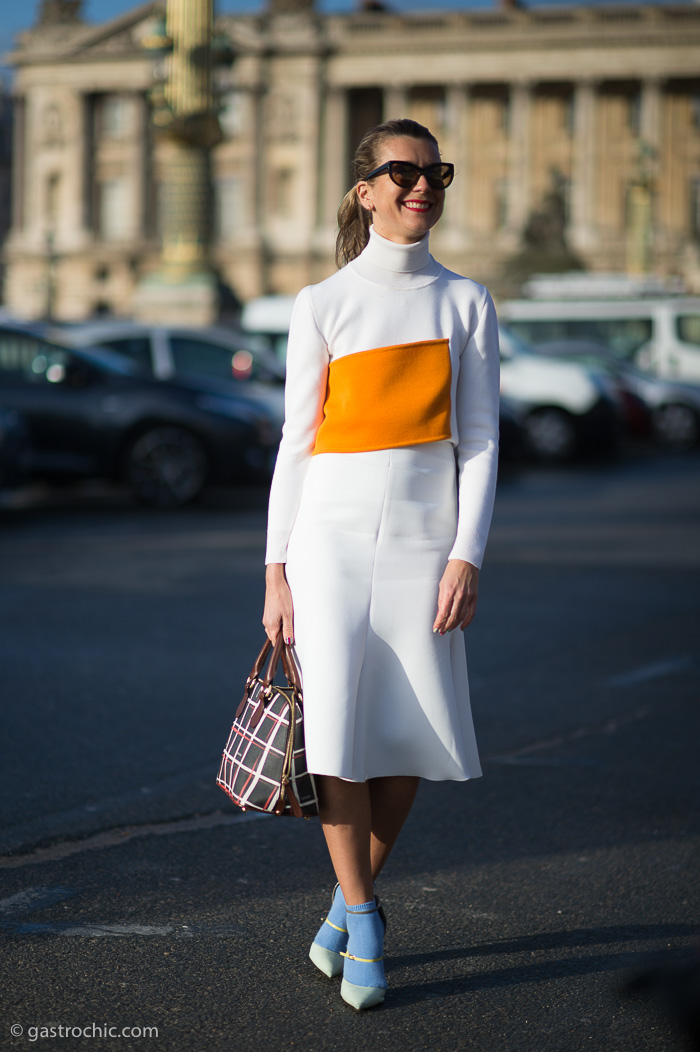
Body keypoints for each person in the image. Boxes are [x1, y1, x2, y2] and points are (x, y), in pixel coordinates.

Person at [262, 118, 500, 1010]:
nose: (421, 185)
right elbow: (297, 443)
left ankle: (342, 904)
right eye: (401, 172)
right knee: (336, 735)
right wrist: (276, 570)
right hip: (328, 539)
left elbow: (479, 441)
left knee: (408, 735)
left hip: (426, 545)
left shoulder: (467, 300)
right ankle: (364, 919)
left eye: (434, 171)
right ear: (364, 190)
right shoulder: (320, 303)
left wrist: (467, 553)